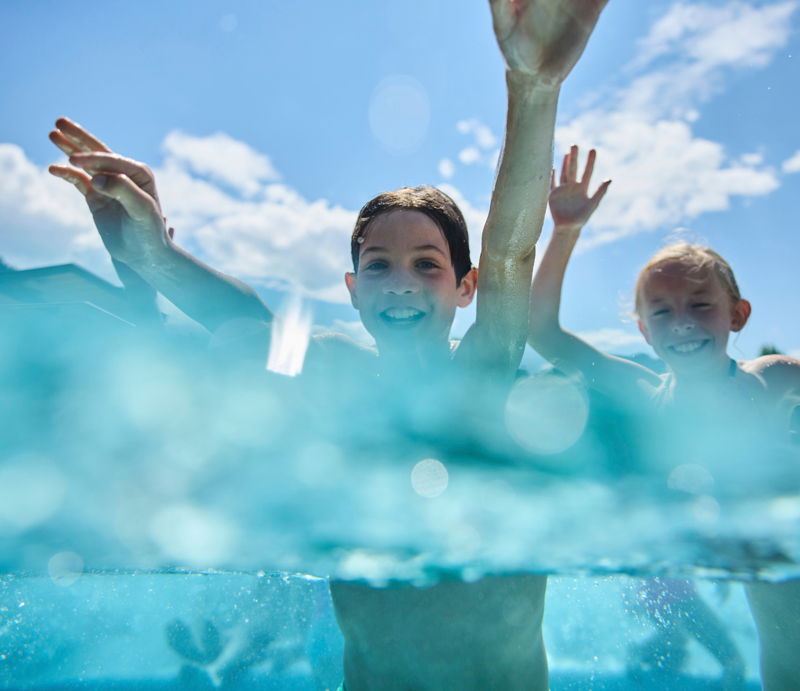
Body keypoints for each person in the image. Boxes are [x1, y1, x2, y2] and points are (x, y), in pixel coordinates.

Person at [49, 2, 610, 688]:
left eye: (426, 264)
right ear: (351, 286)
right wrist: (158, 256)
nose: (400, 283)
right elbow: (246, 326)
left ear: (466, 287)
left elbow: (511, 256)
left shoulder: (483, 372)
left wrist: (534, 88)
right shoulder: (338, 373)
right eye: (379, 265)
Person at [527, 144, 800, 690]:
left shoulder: (773, 380)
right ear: (644, 331)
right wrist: (565, 232)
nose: (682, 322)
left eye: (701, 305)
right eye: (661, 311)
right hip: (755, 561)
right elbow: (543, 332)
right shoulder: (646, 392)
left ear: (737, 315)